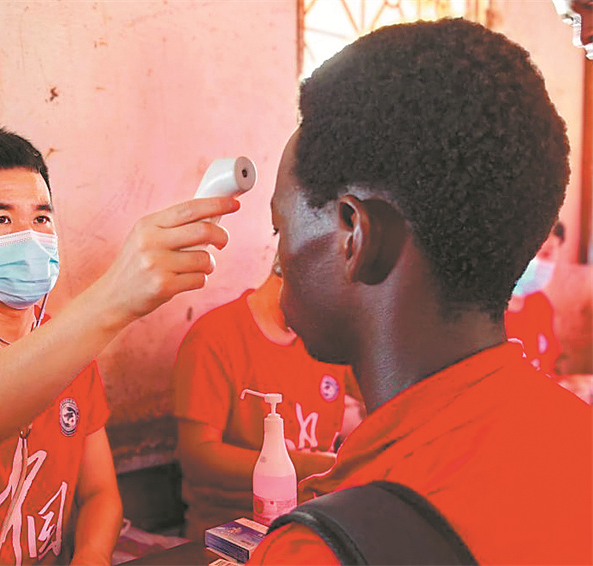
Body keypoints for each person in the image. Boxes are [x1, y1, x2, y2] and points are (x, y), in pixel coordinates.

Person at [248, 18, 592, 565]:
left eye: (279, 228)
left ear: (355, 235)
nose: (279, 259)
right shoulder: (577, 438)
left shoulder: (324, 550)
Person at [0, 129, 240, 565]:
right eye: (2, 219)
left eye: (41, 218)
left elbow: (100, 495)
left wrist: (91, 557)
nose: (29, 236)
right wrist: (114, 298)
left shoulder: (72, 349)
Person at [173, 257, 363, 540]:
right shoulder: (214, 338)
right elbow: (197, 458)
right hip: (234, 530)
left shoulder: (326, 337)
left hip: (314, 520)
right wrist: (302, 466)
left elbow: (387, 400)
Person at [505, 221, 564, 376]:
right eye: (529, 253)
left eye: (547, 255)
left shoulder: (541, 304)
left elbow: (550, 361)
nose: (535, 261)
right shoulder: (487, 314)